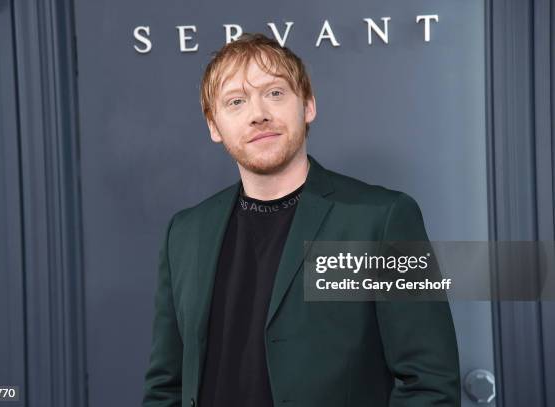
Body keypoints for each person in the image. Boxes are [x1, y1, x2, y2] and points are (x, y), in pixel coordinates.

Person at [142, 32, 460, 407]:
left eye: (275, 93)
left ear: (307, 105)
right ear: (214, 126)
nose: (258, 113)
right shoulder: (185, 233)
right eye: (236, 101)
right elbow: (166, 387)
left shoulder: (383, 219)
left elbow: (431, 385)